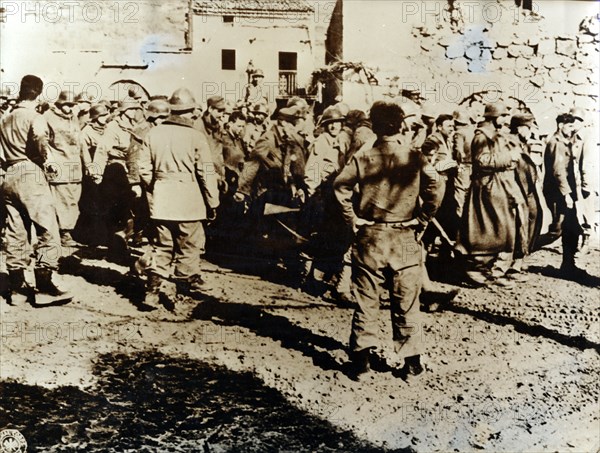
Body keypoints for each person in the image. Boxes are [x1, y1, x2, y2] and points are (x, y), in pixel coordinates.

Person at [334, 101, 443, 379]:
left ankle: (361, 364)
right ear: (401, 125)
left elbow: (341, 186)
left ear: (374, 125)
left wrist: (353, 220)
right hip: (405, 234)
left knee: (366, 299)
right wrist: (422, 218)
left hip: (371, 235)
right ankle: (411, 364)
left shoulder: (364, 156)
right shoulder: (415, 157)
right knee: (407, 301)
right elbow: (435, 187)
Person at [139, 88, 220, 309]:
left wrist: (157, 186)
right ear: (190, 111)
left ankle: (152, 292)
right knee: (190, 244)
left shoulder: (153, 134)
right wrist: (213, 202)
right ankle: (183, 286)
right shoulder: (196, 136)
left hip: (162, 198)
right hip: (189, 200)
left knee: (162, 245)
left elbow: (143, 169)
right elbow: (206, 172)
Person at [0, 75, 71, 304]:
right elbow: (40, 138)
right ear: (38, 93)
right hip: (30, 172)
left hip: (8, 174)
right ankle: (44, 287)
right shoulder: (35, 116)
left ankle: (17, 289)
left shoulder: (4, 119)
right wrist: (47, 159)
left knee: (15, 230)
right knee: (47, 227)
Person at [457, 102, 526, 287]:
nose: (505, 120)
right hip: (488, 188)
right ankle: (476, 269)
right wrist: (509, 157)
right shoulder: (482, 136)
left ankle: (492, 270)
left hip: (500, 186)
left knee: (502, 227)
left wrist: (509, 160)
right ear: (494, 117)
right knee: (487, 228)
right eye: (503, 116)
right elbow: (482, 161)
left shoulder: (496, 135)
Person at [543, 113, 586, 276]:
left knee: (571, 228)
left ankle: (568, 265)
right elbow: (558, 171)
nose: (572, 129)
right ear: (560, 126)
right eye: (569, 126)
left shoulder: (565, 141)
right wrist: (567, 195)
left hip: (566, 192)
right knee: (557, 230)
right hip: (558, 193)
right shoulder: (557, 143)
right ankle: (518, 257)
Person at [100, 97, 143, 261]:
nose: (134, 112)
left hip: (131, 171)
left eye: (135, 109)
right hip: (116, 172)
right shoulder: (113, 127)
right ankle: (115, 249)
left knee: (130, 212)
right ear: (124, 111)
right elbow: (105, 148)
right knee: (118, 213)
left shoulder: (135, 127)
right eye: (131, 109)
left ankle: (121, 246)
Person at [43, 90, 85, 247]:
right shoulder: (48, 117)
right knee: (63, 201)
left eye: (72, 105)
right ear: (59, 104)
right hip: (59, 166)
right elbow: (44, 142)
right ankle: (64, 233)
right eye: (67, 104)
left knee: (74, 199)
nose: (69, 108)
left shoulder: (73, 118)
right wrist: (50, 161)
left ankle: (67, 231)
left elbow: (80, 143)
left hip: (74, 167)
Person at [507, 113, 543, 279]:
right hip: (516, 188)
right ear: (520, 128)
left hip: (527, 188)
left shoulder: (523, 143)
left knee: (535, 215)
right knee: (521, 221)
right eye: (529, 127)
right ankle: (515, 262)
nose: (531, 131)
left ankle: (522, 255)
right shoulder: (511, 142)